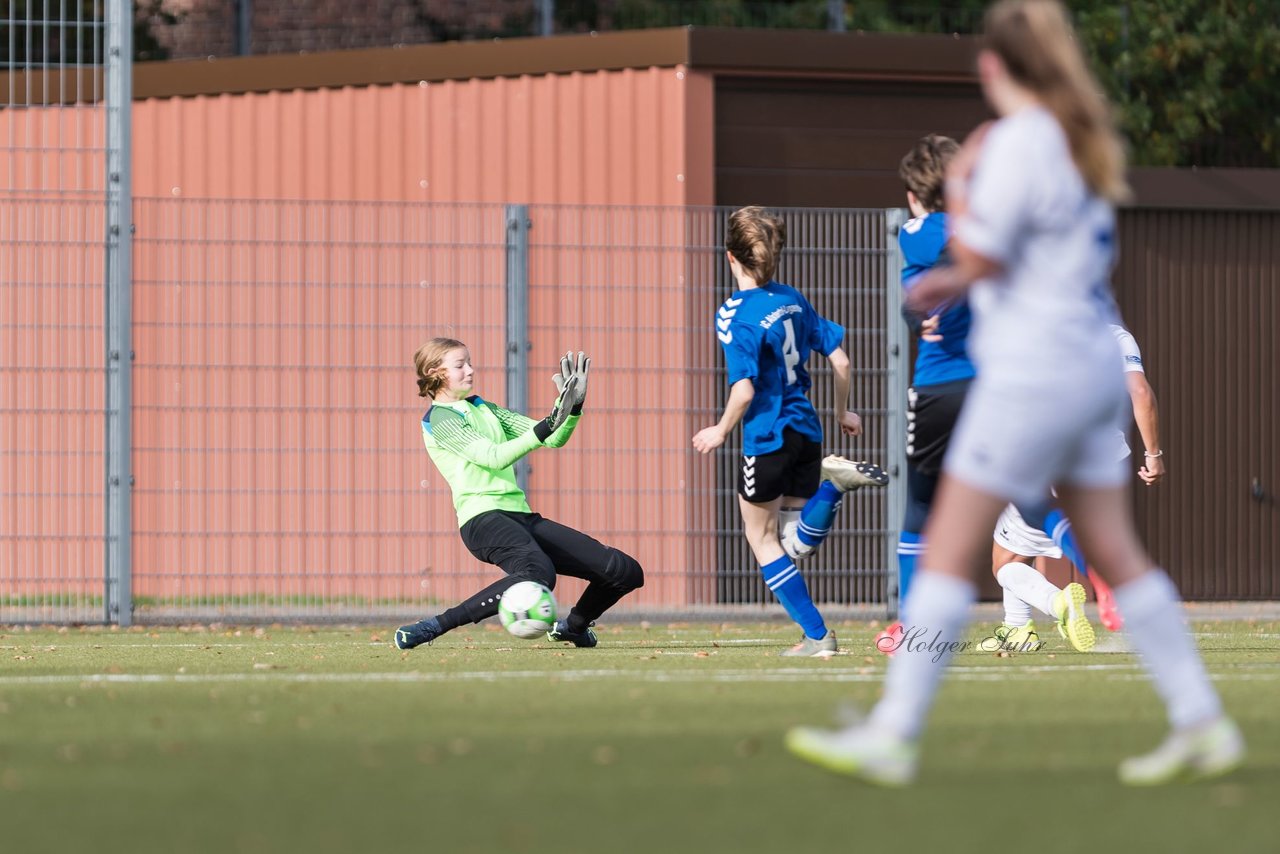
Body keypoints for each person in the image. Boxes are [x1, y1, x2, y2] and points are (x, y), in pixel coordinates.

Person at [786, 0, 1242, 786]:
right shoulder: (1079, 140)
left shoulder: (1020, 144)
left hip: (1034, 368)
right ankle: (1202, 721)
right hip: (1088, 362)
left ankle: (894, 733)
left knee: (947, 543)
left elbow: (989, 259)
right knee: (1120, 558)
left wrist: (939, 279)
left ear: (998, 66)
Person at [692, 206, 888, 658]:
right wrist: (845, 413)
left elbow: (743, 390)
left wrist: (720, 431)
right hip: (807, 430)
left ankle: (819, 637)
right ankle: (831, 487)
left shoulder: (733, 314)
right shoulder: (793, 299)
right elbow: (840, 360)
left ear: (730, 258)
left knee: (760, 540)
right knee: (793, 542)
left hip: (767, 436)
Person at [394, 339, 644, 650]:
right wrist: (550, 423)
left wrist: (572, 408)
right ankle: (434, 626)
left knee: (624, 572)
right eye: (460, 365)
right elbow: (493, 456)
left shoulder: (484, 408)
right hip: (482, 520)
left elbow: (551, 438)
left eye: (469, 362)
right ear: (435, 372)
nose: (470, 370)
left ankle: (574, 627)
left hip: (520, 516)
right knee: (538, 574)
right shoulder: (440, 419)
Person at [986, 322, 1166, 653]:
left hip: (1047, 456)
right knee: (1072, 536)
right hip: (1103, 462)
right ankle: (1016, 629)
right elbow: (1140, 392)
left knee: (1006, 560)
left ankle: (1060, 602)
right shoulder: (1116, 334)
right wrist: (1153, 455)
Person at [888, 134, 972, 643]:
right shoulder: (988, 229)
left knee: (920, 506)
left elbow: (914, 302)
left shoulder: (917, 231)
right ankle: (1103, 581)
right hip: (996, 383)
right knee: (1026, 498)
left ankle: (914, 626)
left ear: (917, 194)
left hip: (940, 383)